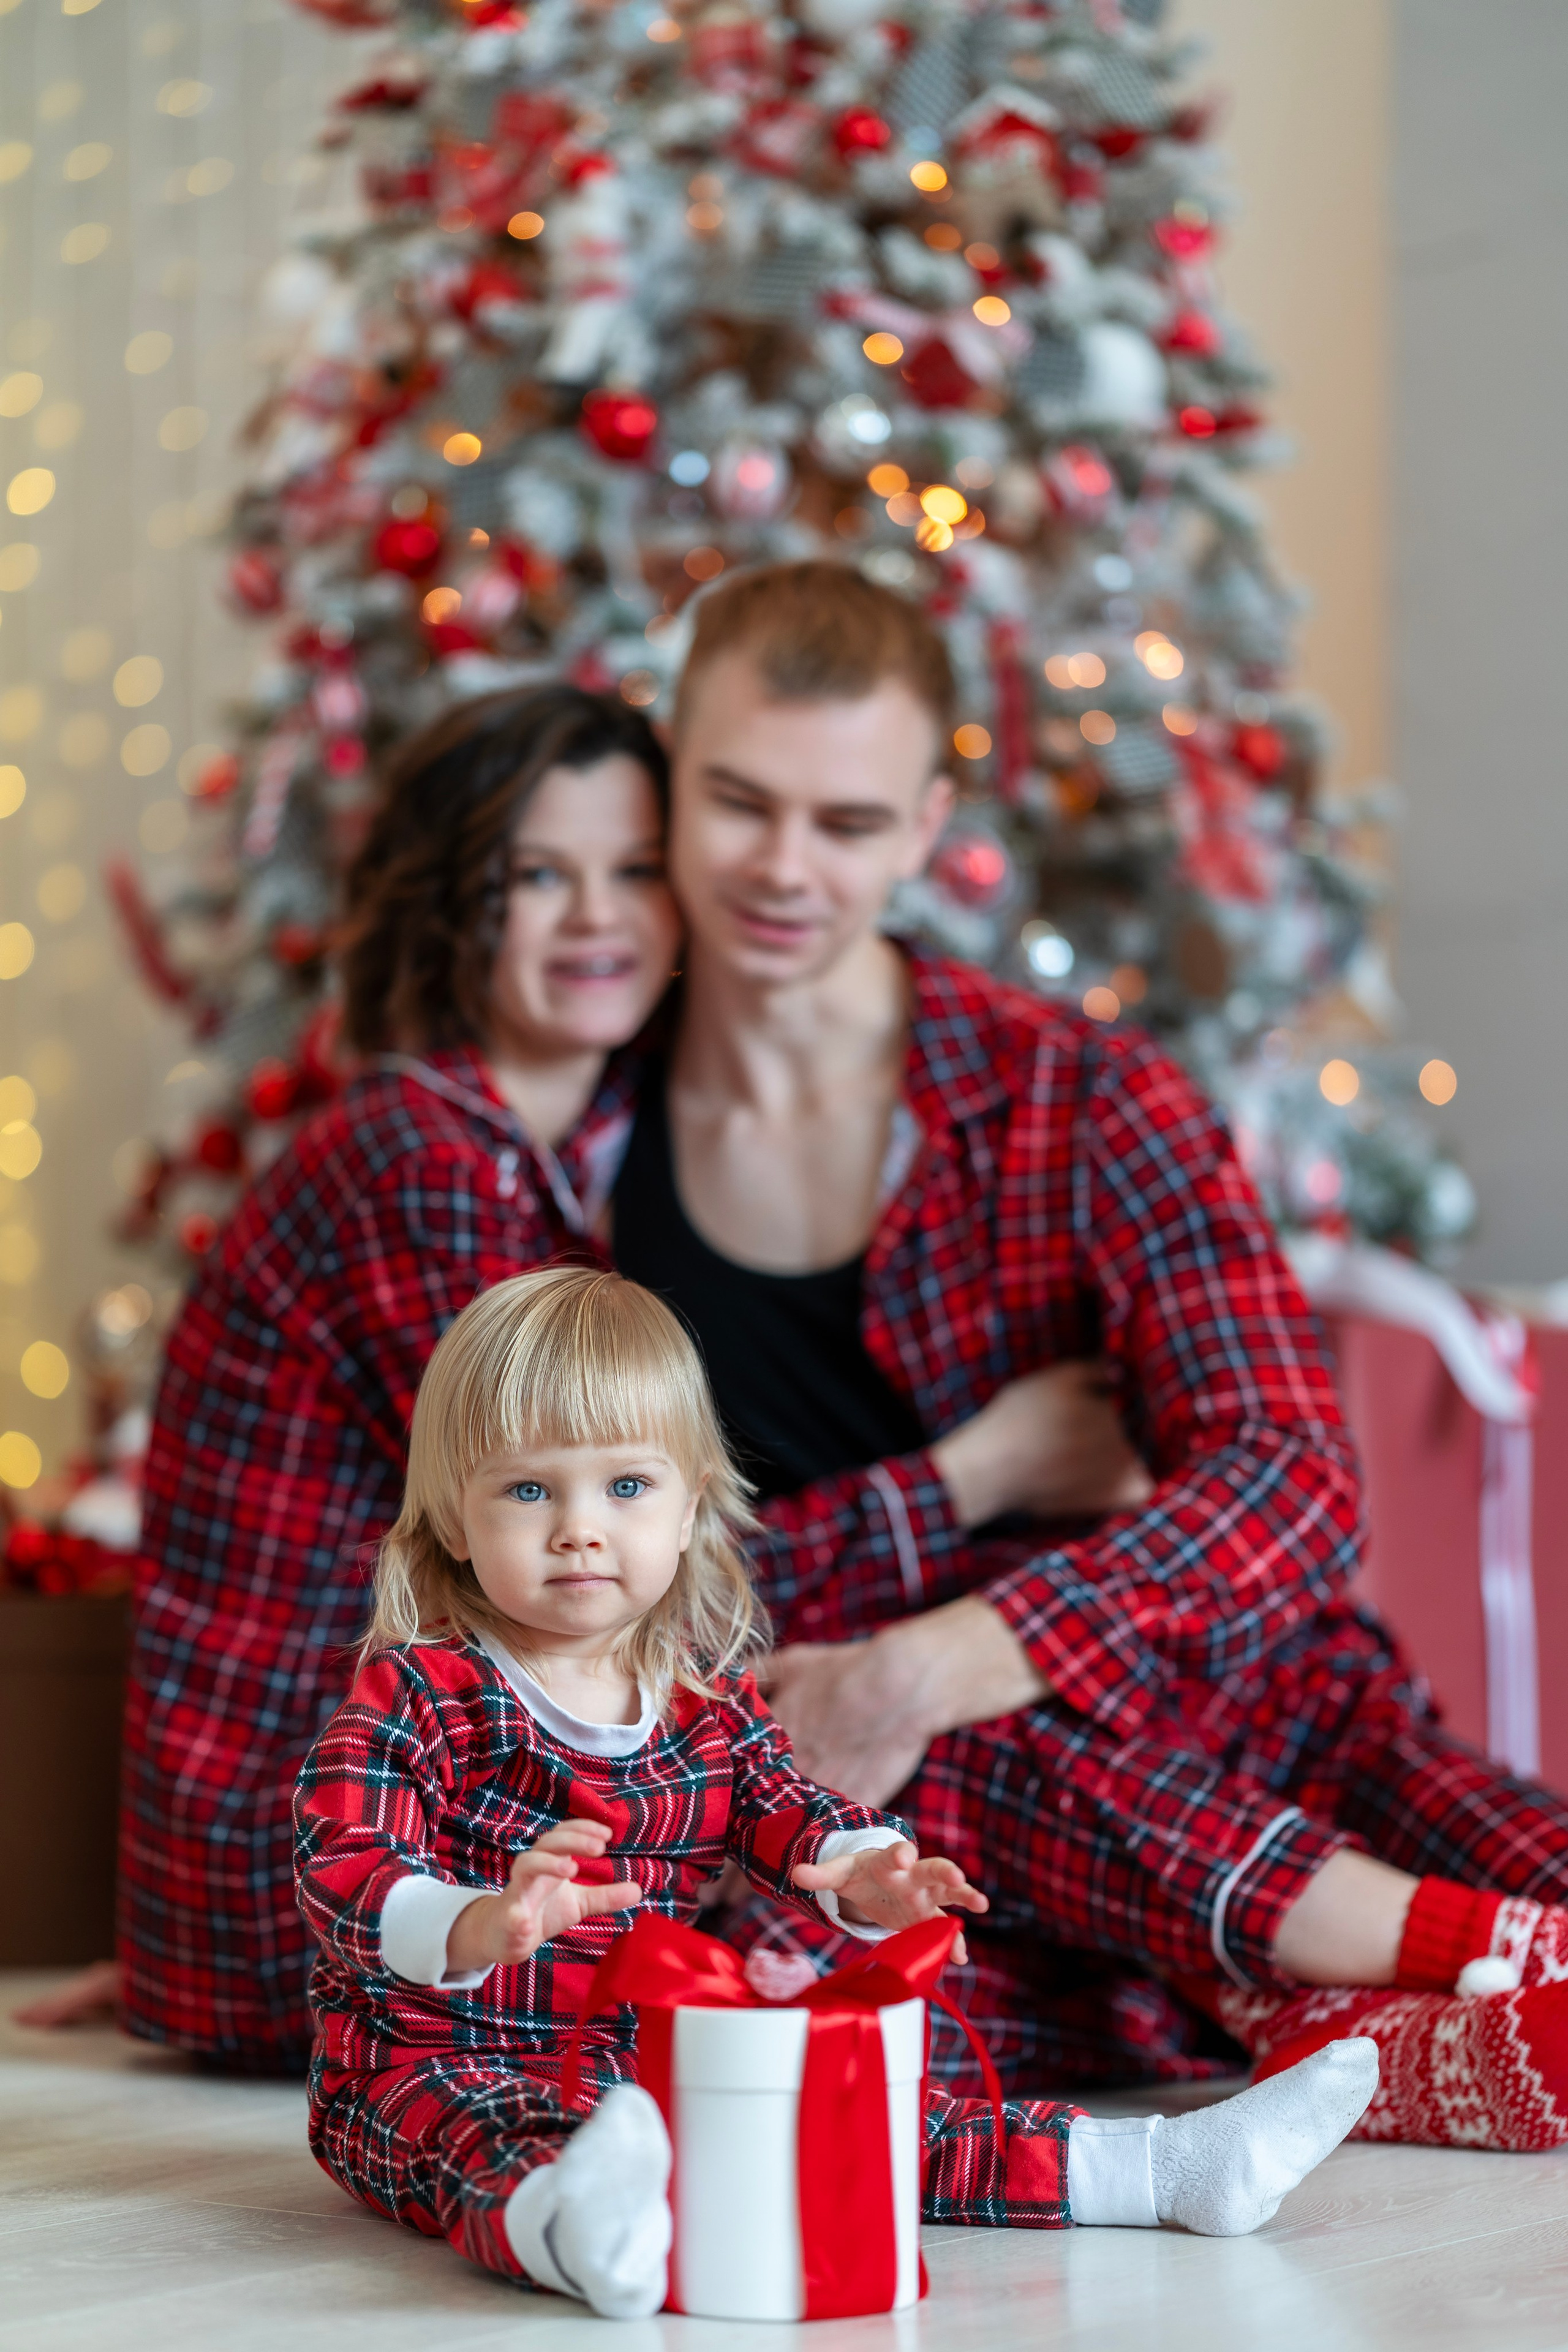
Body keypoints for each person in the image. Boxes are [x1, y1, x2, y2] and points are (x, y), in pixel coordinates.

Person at [612, 560, 1568, 2150]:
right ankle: (1302, 2003)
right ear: (667, 779)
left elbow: (1290, 1479)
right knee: (807, 2043)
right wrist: (965, 1492)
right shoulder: (584, 1143)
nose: (785, 868)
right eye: (737, 802)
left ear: (926, 826)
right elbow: (591, 1564)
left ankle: (1326, 1996)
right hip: (915, 1815)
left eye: (848, 826)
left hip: (1245, 1710)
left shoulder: (1079, 1098)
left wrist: (933, 1659)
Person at [113, 675, 1139, 2071]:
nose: (595, 915)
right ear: (451, 896)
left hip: (467, 1821)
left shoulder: (574, 1145)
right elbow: (599, 1561)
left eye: (635, 870)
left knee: (918, 1765)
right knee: (926, 1760)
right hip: (357, 1858)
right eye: (537, 873)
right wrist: (985, 1471)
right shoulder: (423, 1164)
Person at [296, 1265, 1377, 2316]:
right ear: (450, 1520)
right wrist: (482, 1920)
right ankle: (574, 2228)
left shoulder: (704, 1708)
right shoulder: (423, 1693)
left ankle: (1167, 2169)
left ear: (687, 1513)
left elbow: (789, 1812)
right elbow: (343, 1862)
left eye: (626, 1487)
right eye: (529, 1490)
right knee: (481, 2134)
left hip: (649, 2052)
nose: (581, 1526)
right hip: (431, 2058)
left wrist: (872, 1874)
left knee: (867, 2112)